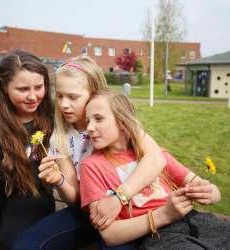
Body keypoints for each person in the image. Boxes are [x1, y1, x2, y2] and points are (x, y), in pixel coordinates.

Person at [11, 55, 167, 250]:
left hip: (131, 209)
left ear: (94, 93)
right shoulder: (60, 138)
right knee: (25, 246)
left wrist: (119, 198)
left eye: (73, 97)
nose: (63, 104)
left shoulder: (117, 124)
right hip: (89, 213)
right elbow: (77, 201)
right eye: (59, 95)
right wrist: (59, 181)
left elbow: (156, 158)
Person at [80, 88, 230, 249]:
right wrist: (163, 215)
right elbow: (109, 236)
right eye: (88, 121)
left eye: (98, 119)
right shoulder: (92, 166)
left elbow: (216, 194)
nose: (89, 127)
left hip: (198, 220)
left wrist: (207, 192)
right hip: (160, 235)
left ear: (122, 122)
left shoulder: (157, 156)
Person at [0, 50, 55, 250]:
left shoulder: (55, 116)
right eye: (23, 89)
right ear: (4, 86)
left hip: (33, 193)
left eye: (39, 87)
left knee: (11, 241)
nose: (33, 96)